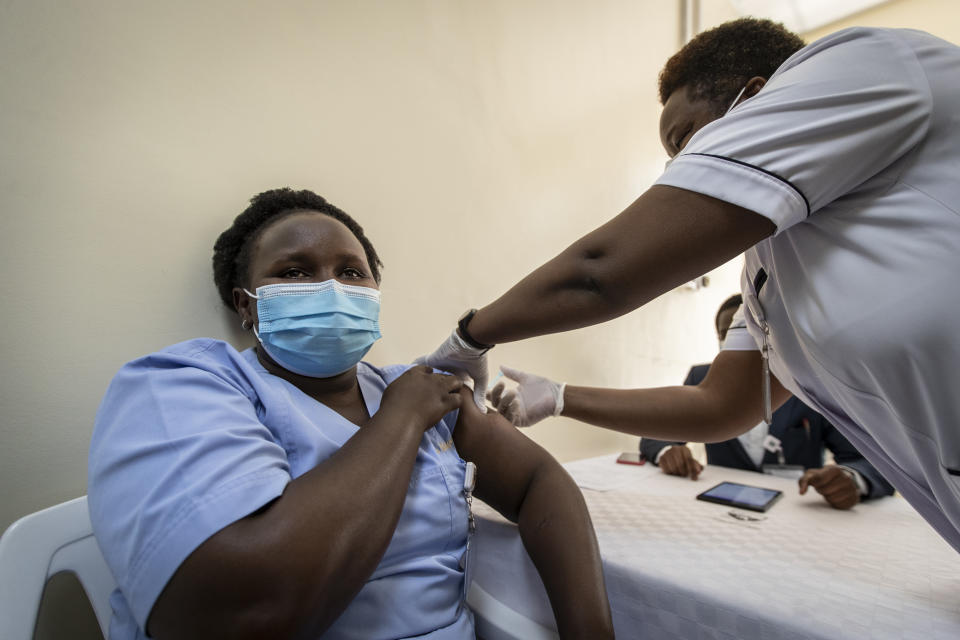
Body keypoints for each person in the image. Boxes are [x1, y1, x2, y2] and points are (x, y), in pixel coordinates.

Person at [418, 18, 960, 552]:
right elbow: (719, 405)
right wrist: (560, 397)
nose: (686, 170)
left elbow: (602, 272)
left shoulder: (869, 63)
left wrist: (470, 337)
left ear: (757, 97)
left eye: (686, 142)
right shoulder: (770, 276)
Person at [87, 188, 614, 640]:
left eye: (351, 272)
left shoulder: (413, 387)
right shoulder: (185, 385)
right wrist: (400, 421)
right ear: (246, 304)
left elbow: (540, 480)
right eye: (294, 272)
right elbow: (242, 613)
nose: (331, 290)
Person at [636, 294, 894, 510]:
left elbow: (870, 461)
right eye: (729, 334)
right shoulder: (702, 377)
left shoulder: (810, 385)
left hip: (798, 515)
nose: (743, 343)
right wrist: (667, 451)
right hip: (718, 507)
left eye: (753, 332)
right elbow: (656, 433)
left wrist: (852, 479)